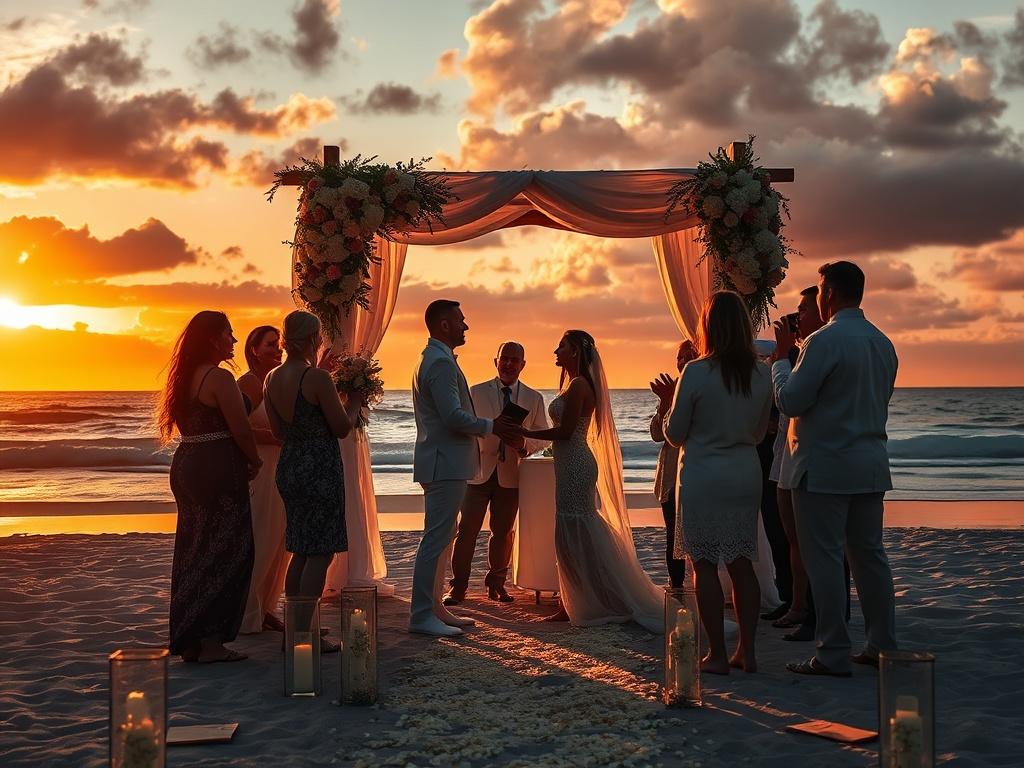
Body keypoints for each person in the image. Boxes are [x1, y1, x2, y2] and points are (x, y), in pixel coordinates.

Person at [772, 261, 898, 677]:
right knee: (869, 557)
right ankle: (881, 643)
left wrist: (780, 365)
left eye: (821, 289)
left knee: (824, 559)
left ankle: (832, 650)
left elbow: (791, 401)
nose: (819, 297)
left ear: (832, 293)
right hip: (869, 462)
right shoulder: (882, 343)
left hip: (825, 466)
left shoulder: (823, 341)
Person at [652, 291, 772, 674]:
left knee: (703, 564)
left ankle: (718, 654)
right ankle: (748, 652)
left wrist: (671, 401)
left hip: (703, 473)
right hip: (744, 471)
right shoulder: (763, 373)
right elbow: (758, 432)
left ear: (708, 327)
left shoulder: (697, 371)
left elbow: (674, 433)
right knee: (741, 562)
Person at [517, 330, 663, 632]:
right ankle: (571, 602)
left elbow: (566, 432)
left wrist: (525, 433)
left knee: (575, 530)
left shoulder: (581, 385)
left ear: (576, 353)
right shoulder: (571, 383)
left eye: (562, 347)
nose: (555, 351)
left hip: (577, 464)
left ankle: (578, 602)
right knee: (572, 531)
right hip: (568, 463)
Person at [409, 300, 520, 637]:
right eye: (461, 320)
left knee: (444, 537)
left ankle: (435, 608)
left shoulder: (434, 358)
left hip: (445, 461)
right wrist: (492, 426)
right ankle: (420, 615)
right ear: (444, 325)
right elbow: (452, 416)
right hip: (445, 462)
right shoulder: (440, 363)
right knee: (436, 538)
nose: (465, 325)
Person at [158, 310, 260, 663]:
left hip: (187, 464)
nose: (233, 340)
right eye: (229, 334)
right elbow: (241, 429)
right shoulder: (217, 378)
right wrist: (255, 460)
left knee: (194, 549)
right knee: (230, 550)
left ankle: (192, 638)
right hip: (216, 465)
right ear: (214, 338)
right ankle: (211, 642)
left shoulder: (184, 378)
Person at [264, 311, 364, 652]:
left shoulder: (271, 378)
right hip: (319, 466)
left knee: (301, 548)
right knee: (319, 551)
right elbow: (341, 427)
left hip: (290, 464)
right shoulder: (316, 379)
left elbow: (278, 432)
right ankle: (302, 637)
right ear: (313, 338)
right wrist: (355, 402)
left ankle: (295, 630)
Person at [444, 342, 549, 606]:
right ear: (496, 361)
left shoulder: (533, 397)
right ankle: (458, 587)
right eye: (505, 359)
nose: (510, 364)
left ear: (523, 365)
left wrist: (523, 444)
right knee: (466, 530)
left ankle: (497, 584)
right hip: (477, 471)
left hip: (511, 473)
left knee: (503, 532)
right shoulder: (476, 392)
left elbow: (543, 435)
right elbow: (462, 427)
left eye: (515, 360)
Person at [237, 325, 289, 634]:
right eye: (270, 345)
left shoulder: (274, 382)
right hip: (260, 469)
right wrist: (277, 438)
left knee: (280, 543)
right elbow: (236, 427)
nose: (277, 349)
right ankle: (247, 611)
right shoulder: (248, 383)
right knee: (262, 539)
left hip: (279, 469)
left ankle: (267, 607)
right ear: (254, 349)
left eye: (279, 344)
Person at [648, 340, 698, 588]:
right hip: (669, 473)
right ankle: (676, 585)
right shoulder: (672, 389)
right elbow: (657, 434)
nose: (683, 361)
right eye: (680, 357)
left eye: (689, 355)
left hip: (692, 471)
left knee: (695, 536)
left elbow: (680, 432)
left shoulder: (701, 387)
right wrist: (665, 403)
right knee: (672, 535)